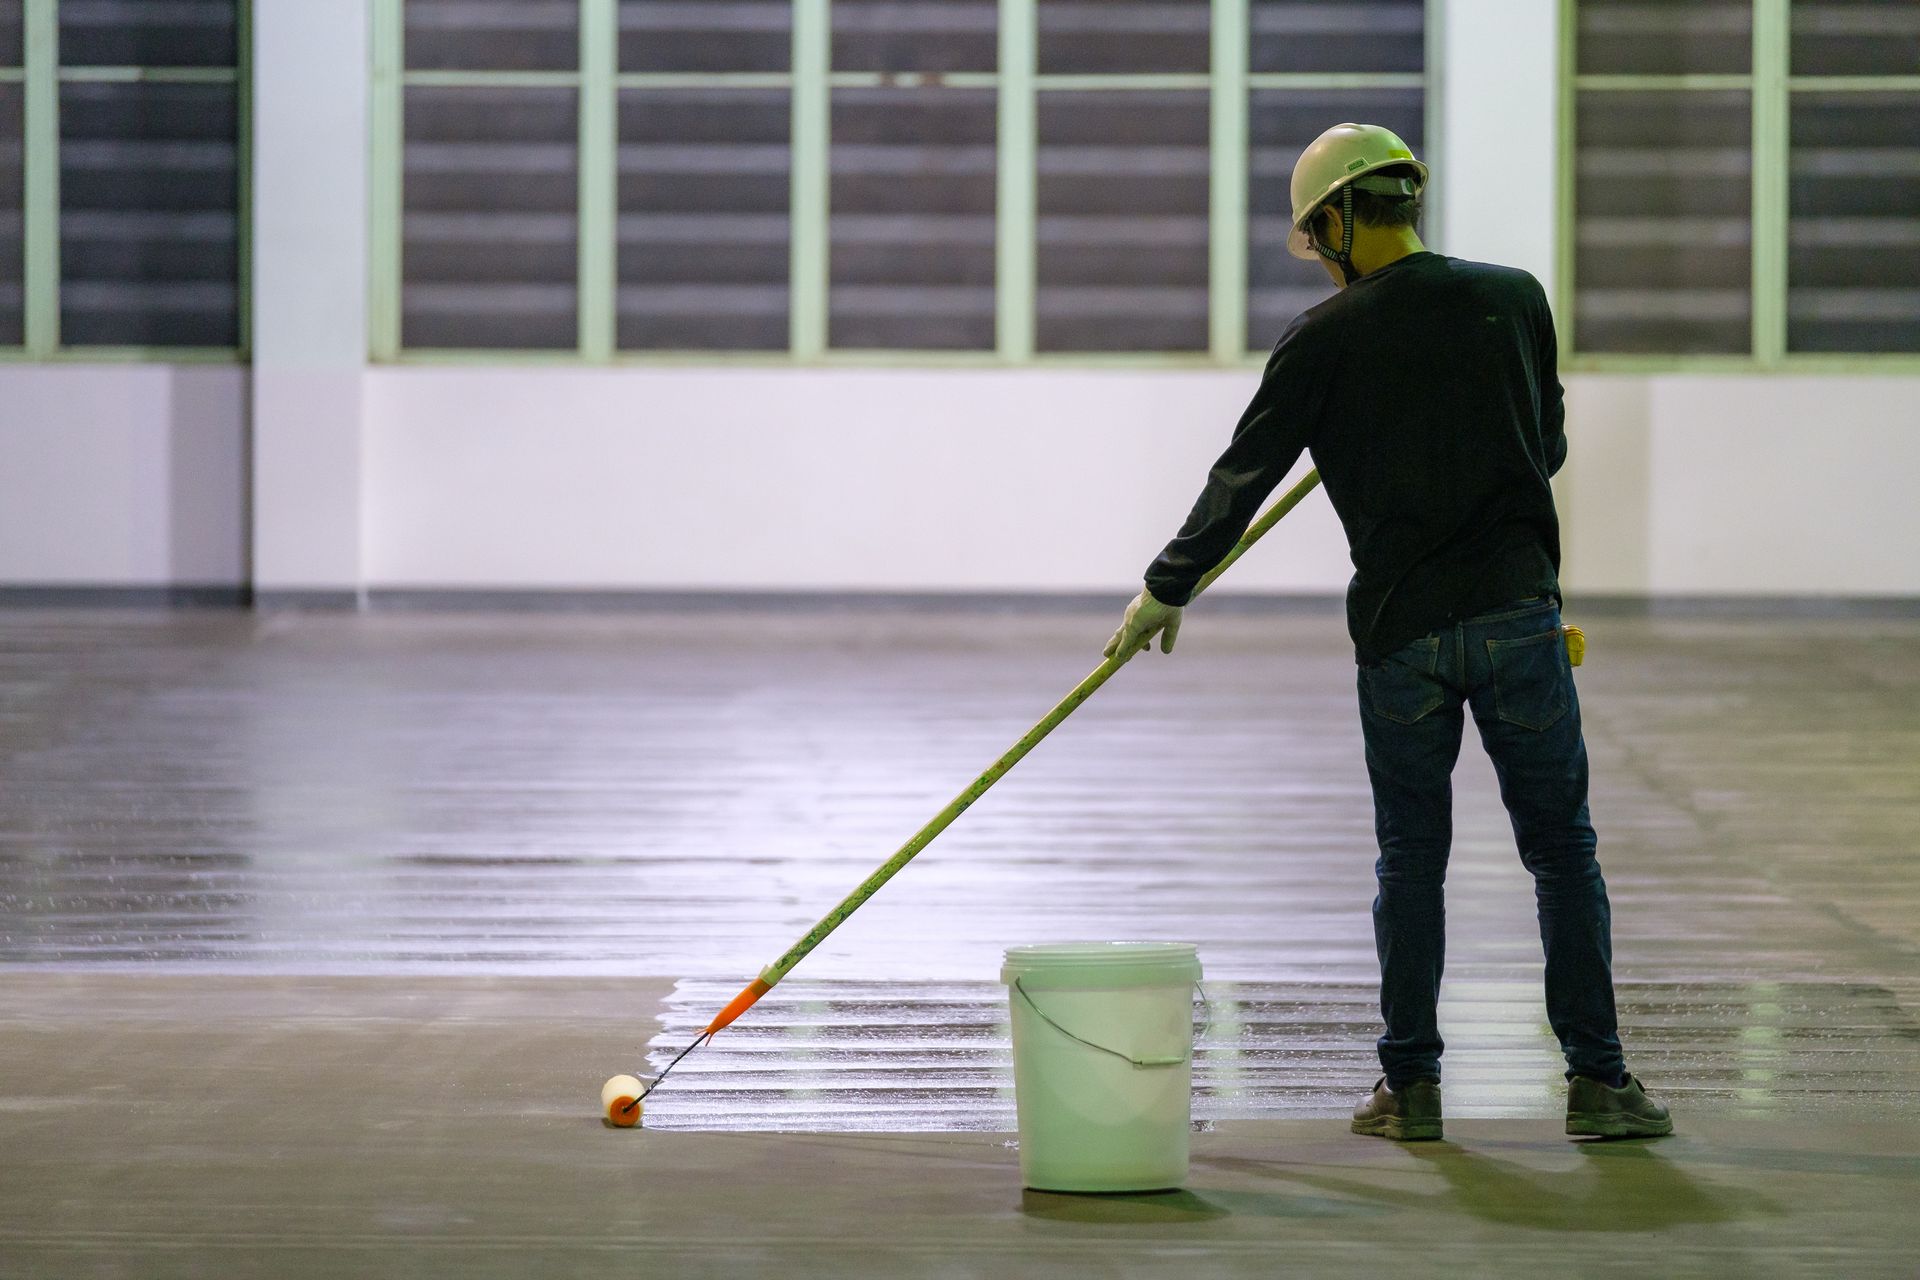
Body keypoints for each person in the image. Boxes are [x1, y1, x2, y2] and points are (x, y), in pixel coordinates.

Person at [1103, 122, 1671, 1142]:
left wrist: (1165, 587)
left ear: (1337, 218)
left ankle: (1409, 1089)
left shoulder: (1324, 340)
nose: (1318, 251)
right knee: (1563, 854)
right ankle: (1602, 1084)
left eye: (1317, 234)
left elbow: (1243, 475)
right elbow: (1545, 445)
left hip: (1402, 640)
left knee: (1411, 862)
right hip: (1517, 625)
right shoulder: (1514, 298)